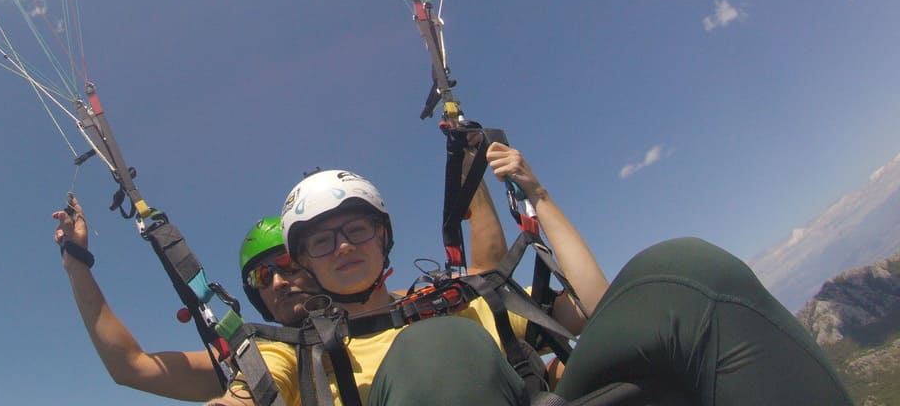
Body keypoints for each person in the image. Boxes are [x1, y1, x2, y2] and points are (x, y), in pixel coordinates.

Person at [218, 143, 853, 406]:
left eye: (356, 228)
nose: (344, 246)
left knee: (685, 272)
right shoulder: (294, 357)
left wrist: (536, 192)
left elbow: (603, 309)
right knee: (439, 349)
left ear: (384, 237)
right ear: (303, 265)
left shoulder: (458, 298)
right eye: (323, 240)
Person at [53, 180, 511, 402]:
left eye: (286, 265)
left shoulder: (430, 311)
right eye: (259, 277)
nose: (275, 282)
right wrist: (78, 265)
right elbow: (133, 367)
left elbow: (490, 279)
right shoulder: (271, 356)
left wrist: (472, 175)